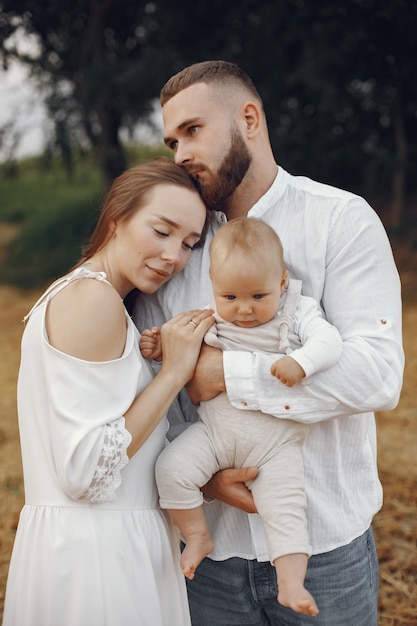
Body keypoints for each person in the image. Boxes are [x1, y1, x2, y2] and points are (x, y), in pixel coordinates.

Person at [133, 61, 404, 626]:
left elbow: (378, 373)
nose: (179, 153)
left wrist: (223, 373)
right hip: (206, 557)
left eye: (192, 131)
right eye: (170, 140)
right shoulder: (172, 243)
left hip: (326, 545)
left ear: (248, 119)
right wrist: (200, 474)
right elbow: (150, 390)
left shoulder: (341, 220)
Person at [2, 156, 215, 626]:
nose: (173, 256)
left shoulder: (97, 300)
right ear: (117, 218)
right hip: (98, 558)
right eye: (161, 231)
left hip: (100, 543)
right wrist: (173, 373)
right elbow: (85, 470)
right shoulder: (91, 300)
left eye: (189, 244)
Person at [141, 217, 344, 616]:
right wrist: (158, 344)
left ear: (282, 282)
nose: (245, 309)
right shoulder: (210, 316)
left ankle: (291, 584)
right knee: (171, 469)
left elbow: (330, 341)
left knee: (285, 510)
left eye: (258, 295)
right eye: (230, 297)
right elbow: (180, 346)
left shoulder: (297, 311)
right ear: (214, 287)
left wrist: (302, 361)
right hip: (216, 436)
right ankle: (197, 536)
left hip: (275, 446)